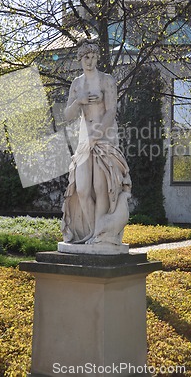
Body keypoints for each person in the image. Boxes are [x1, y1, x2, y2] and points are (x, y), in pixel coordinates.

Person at [61, 38, 131, 246]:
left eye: (93, 57)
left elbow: (111, 111)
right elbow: (67, 115)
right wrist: (78, 101)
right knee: (82, 188)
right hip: (84, 140)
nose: (89, 61)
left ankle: (99, 236)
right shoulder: (77, 84)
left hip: (104, 138)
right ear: (80, 59)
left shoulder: (106, 80)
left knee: (102, 187)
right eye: (85, 57)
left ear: (97, 58)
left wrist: (96, 135)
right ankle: (92, 232)